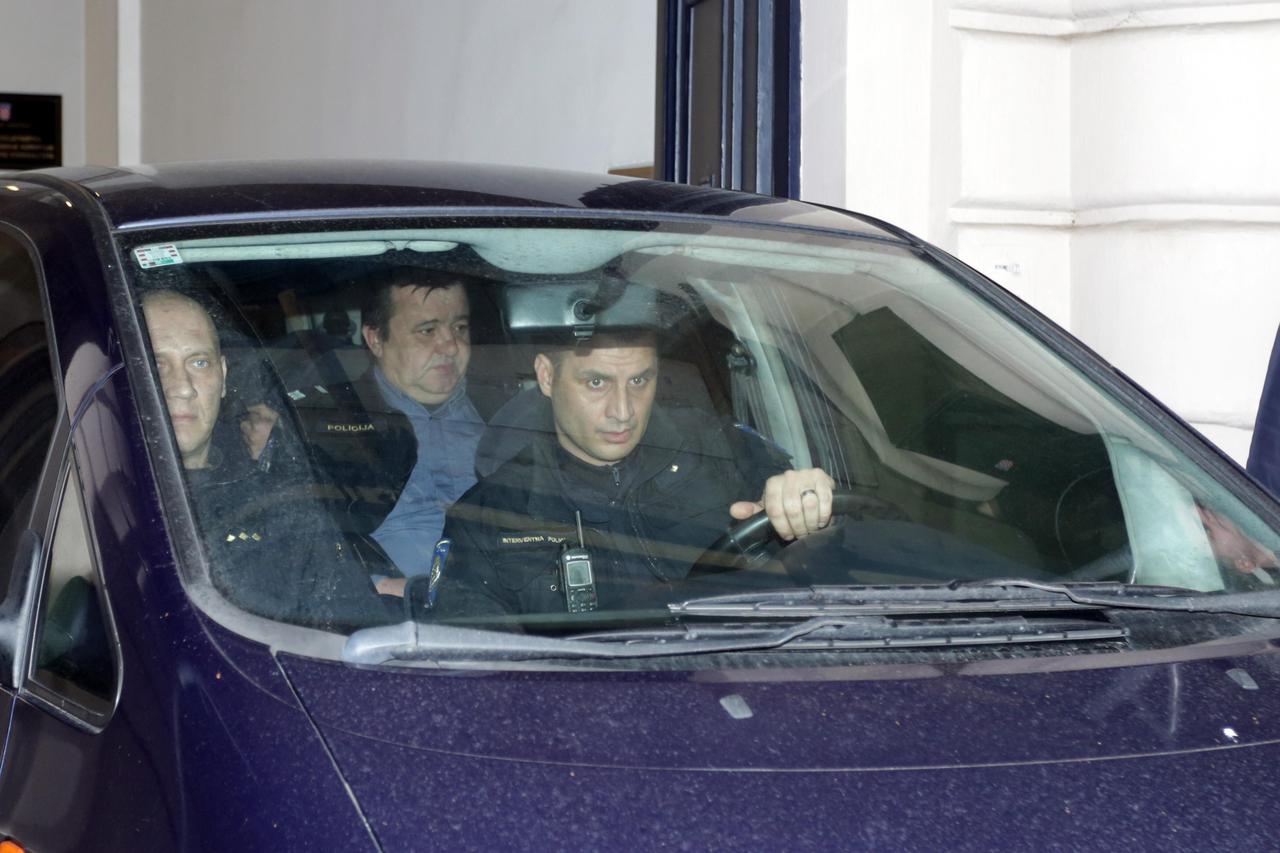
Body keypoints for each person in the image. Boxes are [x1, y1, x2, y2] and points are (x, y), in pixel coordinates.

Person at [433, 331, 836, 620]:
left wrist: (809, 512)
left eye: (640, 380)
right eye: (597, 382)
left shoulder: (724, 452)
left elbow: (837, 564)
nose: (623, 411)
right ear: (546, 376)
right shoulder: (486, 516)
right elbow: (482, 668)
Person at [142, 289, 389, 629]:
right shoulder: (103, 501)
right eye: (157, 364)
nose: (182, 387)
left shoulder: (278, 498)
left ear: (223, 377)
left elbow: (356, 620)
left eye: (199, 363)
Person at [288, 266, 490, 594]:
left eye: (460, 327)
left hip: (506, 602)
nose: (451, 346)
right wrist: (379, 587)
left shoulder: (508, 412)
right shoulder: (322, 423)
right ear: (375, 339)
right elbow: (302, 542)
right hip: (382, 607)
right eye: (427, 330)